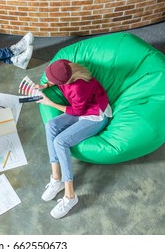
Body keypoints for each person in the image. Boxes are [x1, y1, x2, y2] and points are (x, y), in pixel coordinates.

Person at [36, 59, 112, 218]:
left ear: (66, 81)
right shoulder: (64, 65)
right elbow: (56, 78)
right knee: (50, 126)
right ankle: (57, 179)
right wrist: (46, 85)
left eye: (52, 81)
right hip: (82, 108)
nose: (48, 80)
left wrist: (49, 103)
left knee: (60, 141)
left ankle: (70, 196)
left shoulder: (78, 87)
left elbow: (76, 111)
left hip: (94, 115)